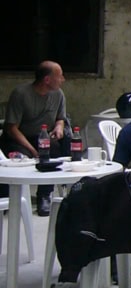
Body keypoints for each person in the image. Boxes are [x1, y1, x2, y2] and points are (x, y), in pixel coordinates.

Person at [1, 61, 69, 215]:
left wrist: (59, 127)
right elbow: (12, 128)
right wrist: (32, 150)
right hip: (19, 138)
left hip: (43, 137)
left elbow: (60, 117)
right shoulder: (21, 94)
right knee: (20, 158)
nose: (63, 80)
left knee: (55, 151)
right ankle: (9, 196)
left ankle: (44, 196)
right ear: (47, 80)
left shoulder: (58, 94)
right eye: (59, 76)